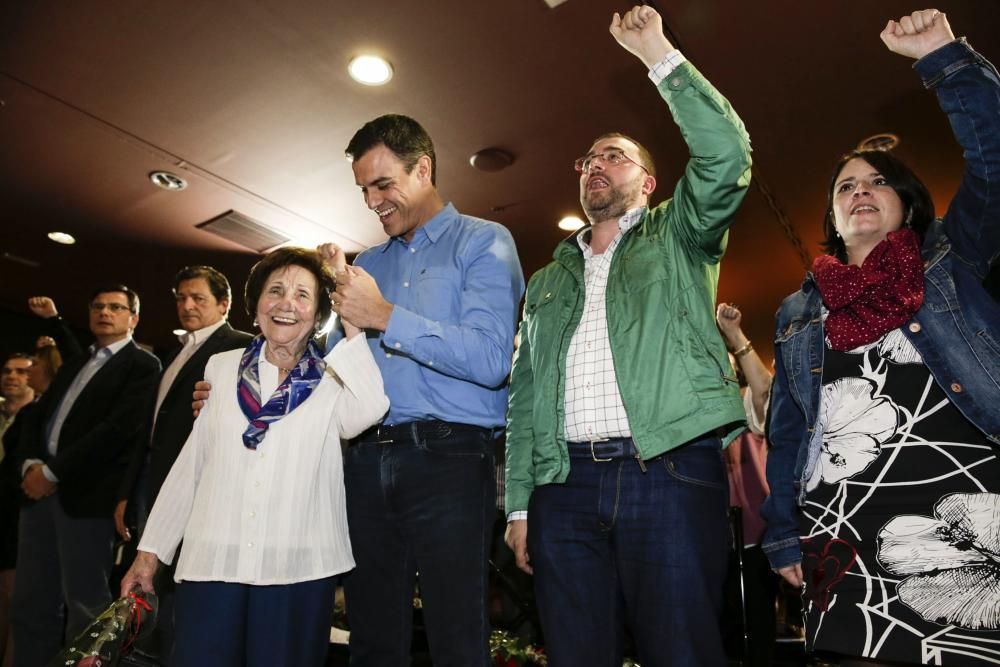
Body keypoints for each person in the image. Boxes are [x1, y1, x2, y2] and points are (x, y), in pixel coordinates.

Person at [504, 6, 752, 666]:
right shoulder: (546, 279)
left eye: (615, 156)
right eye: (587, 158)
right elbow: (525, 395)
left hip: (668, 469)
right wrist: (520, 503)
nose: (595, 164)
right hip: (564, 485)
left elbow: (728, 155)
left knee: (682, 649)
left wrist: (658, 55)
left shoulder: (681, 235)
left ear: (648, 181)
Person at [761, 10, 1000, 666]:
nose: (861, 190)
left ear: (907, 203)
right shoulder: (797, 311)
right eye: (846, 186)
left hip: (966, 514)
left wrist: (942, 57)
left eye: (878, 181)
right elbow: (786, 432)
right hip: (842, 522)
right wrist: (782, 533)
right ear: (834, 218)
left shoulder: (952, 258)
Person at [314, 114, 524, 667]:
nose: (372, 201)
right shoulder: (368, 263)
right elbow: (341, 372)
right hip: (363, 461)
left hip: (450, 458)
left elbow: (489, 359)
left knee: (457, 635)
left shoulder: (483, 241)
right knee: (372, 638)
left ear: (423, 168)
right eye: (363, 190)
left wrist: (385, 315)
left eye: (383, 184)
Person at [121, 247, 388, 667]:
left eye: (303, 295)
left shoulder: (336, 377)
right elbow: (194, 463)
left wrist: (352, 325)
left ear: (320, 312)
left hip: (297, 567)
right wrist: (149, 552)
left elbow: (371, 410)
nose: (287, 303)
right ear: (256, 304)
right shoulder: (220, 369)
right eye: (275, 290)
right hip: (213, 559)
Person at [12, 289, 161, 667]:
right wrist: (31, 463)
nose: (104, 313)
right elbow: (38, 415)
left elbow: (116, 431)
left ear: (134, 318)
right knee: (30, 604)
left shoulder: (142, 365)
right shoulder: (77, 363)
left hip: (87, 502)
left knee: (85, 610)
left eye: (115, 307)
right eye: (97, 307)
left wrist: (52, 472)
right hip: (38, 497)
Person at [115, 265, 252, 664]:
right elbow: (149, 432)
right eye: (181, 297)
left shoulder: (241, 348)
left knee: (184, 600)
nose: (187, 305)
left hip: (202, 489)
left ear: (224, 305)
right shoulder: (174, 353)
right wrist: (127, 491)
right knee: (146, 595)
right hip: (154, 488)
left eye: (199, 298)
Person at [715, 303, 779, 666]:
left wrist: (735, 337)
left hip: (754, 534)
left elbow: (765, 391)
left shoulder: (741, 402)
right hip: (707, 535)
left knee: (756, 623)